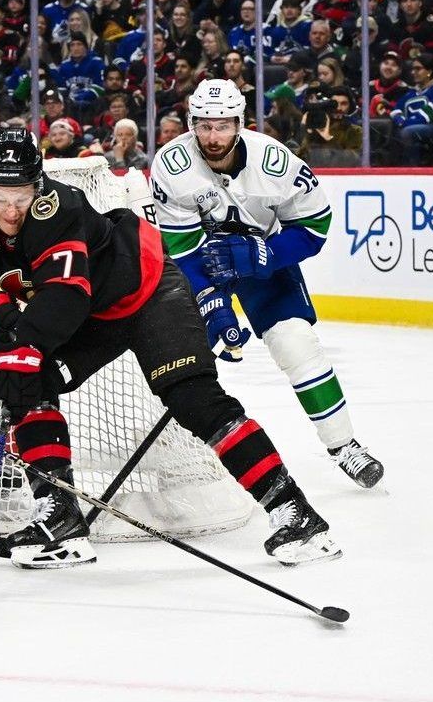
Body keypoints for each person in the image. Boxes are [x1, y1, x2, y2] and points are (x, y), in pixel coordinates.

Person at [0, 127, 342, 568]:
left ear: (39, 186)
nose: (10, 210)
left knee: (194, 400)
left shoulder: (60, 207)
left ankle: (295, 513)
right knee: (29, 384)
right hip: (92, 314)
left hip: (149, 293)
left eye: (21, 196)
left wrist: (22, 347)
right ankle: (60, 520)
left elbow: (65, 295)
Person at [149, 79, 384, 492]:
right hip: (201, 263)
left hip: (265, 258)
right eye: (204, 126)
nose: (213, 137)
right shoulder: (172, 165)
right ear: (191, 124)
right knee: (177, 355)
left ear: (240, 124)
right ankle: (176, 446)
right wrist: (212, 301)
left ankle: (344, 445)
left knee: (296, 343)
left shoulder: (275, 162)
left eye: (223, 126)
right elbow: (183, 247)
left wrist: (266, 256)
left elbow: (315, 226)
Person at [390, 53, 433, 166]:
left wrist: (405, 122)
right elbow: (397, 109)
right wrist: (400, 120)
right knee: (390, 130)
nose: (413, 72)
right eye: (413, 69)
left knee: (408, 131)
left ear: (429, 71)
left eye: (418, 69)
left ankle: (413, 168)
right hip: (412, 126)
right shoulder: (412, 92)